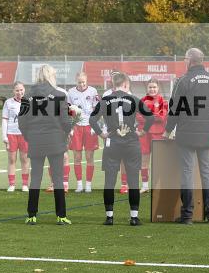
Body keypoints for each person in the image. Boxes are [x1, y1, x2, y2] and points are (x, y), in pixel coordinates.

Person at [164, 48, 209, 224]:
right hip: (206, 134)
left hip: (186, 134)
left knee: (187, 173)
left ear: (190, 60)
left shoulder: (184, 80)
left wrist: (168, 130)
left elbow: (174, 108)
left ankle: (187, 215)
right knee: (207, 174)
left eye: (185, 59)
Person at [90, 71, 155, 225]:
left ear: (113, 84)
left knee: (110, 180)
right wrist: (143, 131)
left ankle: (109, 217)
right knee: (133, 179)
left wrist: (102, 134)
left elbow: (92, 119)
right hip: (131, 141)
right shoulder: (133, 98)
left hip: (112, 141)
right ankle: (133, 217)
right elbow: (150, 117)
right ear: (126, 84)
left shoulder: (105, 100)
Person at [19, 65, 74, 224]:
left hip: (36, 141)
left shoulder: (27, 96)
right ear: (51, 76)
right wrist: (70, 127)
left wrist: (29, 137)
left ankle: (31, 215)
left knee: (35, 178)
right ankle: (61, 216)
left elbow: (22, 122)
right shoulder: (59, 95)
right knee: (57, 179)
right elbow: (65, 122)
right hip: (55, 141)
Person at [67, 72, 100, 193]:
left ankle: (88, 184)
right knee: (77, 156)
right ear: (76, 81)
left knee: (89, 156)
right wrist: (70, 127)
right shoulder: (70, 92)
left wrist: (94, 125)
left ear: (87, 81)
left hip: (89, 126)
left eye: (83, 82)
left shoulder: (93, 91)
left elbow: (97, 109)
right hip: (76, 126)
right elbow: (69, 110)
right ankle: (79, 184)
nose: (81, 85)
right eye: (79, 82)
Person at [137, 78, 168, 192]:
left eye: (154, 87)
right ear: (147, 88)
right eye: (150, 87)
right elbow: (138, 117)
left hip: (158, 133)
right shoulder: (142, 101)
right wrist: (152, 117)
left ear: (158, 88)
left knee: (158, 160)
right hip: (144, 132)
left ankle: (158, 185)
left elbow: (162, 117)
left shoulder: (163, 102)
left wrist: (148, 117)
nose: (152, 89)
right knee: (144, 159)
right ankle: (145, 186)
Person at [2, 82, 30, 192]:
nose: (20, 92)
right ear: (13, 91)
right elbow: (5, 120)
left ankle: (24, 184)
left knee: (25, 159)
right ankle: (12, 184)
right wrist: (4, 136)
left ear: (24, 90)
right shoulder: (8, 102)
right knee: (12, 159)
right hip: (11, 134)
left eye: (21, 90)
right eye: (17, 90)